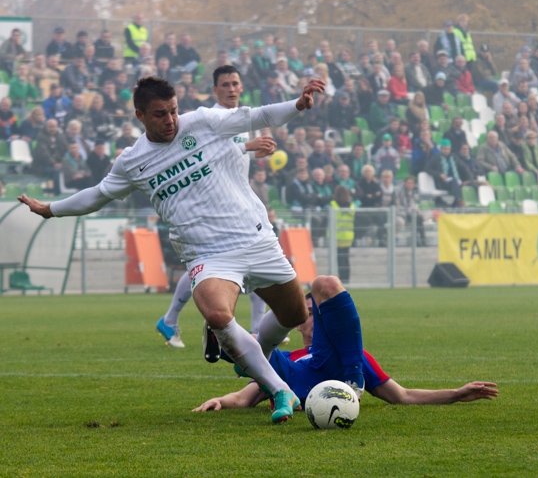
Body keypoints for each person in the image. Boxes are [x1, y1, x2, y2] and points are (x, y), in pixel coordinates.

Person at [18, 76, 328, 424]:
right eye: (160, 114)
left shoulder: (203, 122)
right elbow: (98, 194)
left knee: (294, 315)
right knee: (217, 314)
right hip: (207, 254)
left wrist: (298, 105)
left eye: (174, 111)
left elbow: (257, 115)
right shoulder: (133, 161)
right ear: (140, 115)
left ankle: (254, 351)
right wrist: (51, 209)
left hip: (255, 238)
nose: (170, 121)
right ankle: (277, 388)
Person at [193, 276, 498, 410]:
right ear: (299, 323)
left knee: (324, 284)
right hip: (293, 378)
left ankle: (352, 379)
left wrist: (457, 394)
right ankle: (223, 342)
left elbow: (403, 396)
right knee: (264, 350)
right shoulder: (289, 358)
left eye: (318, 313)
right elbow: (245, 398)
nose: (315, 319)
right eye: (310, 314)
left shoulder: (351, 351)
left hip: (336, 367)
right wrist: (219, 401)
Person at [157, 64, 291, 347]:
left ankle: (254, 328)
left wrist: (253, 153)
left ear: (242, 87)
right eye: (225, 85)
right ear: (214, 90)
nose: (231, 89)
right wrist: (248, 147)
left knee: (250, 263)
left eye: (235, 83)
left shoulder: (242, 119)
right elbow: (207, 158)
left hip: (234, 206)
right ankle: (171, 319)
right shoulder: (210, 119)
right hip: (207, 210)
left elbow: (231, 161)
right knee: (207, 267)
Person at [329, 187, 355, 283]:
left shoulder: (333, 204)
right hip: (348, 235)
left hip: (336, 236)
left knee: (339, 259)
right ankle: (346, 279)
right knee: (345, 258)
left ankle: (340, 279)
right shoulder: (351, 205)